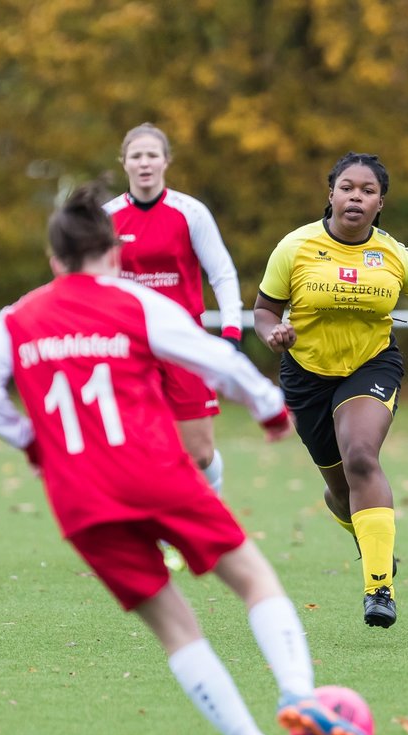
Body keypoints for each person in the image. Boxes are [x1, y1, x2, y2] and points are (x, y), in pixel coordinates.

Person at [0, 181, 370, 735]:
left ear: (53, 261)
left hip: (79, 498)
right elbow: (218, 361)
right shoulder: (135, 304)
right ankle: (298, 693)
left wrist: (28, 440)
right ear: (115, 253)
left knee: (176, 630)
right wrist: (268, 408)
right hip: (153, 472)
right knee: (255, 580)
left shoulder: (18, 317)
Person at [253, 152, 408, 629]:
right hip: (305, 376)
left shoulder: (397, 256)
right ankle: (375, 543)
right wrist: (273, 334)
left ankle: (378, 589)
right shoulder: (295, 246)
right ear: (330, 194)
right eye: (347, 187)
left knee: (362, 457)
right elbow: (264, 310)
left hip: (371, 366)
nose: (356, 197)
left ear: (380, 204)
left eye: (367, 191)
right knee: (339, 489)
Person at [103, 124, 243, 500]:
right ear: (124, 163)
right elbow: (91, 282)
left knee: (199, 454)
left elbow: (222, 274)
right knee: (135, 448)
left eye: (152, 155)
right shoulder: (107, 217)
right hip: (130, 346)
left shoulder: (190, 211)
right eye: (136, 156)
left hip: (185, 344)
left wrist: (231, 333)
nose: (144, 163)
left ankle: (210, 499)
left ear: (166, 160)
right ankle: (159, 535)